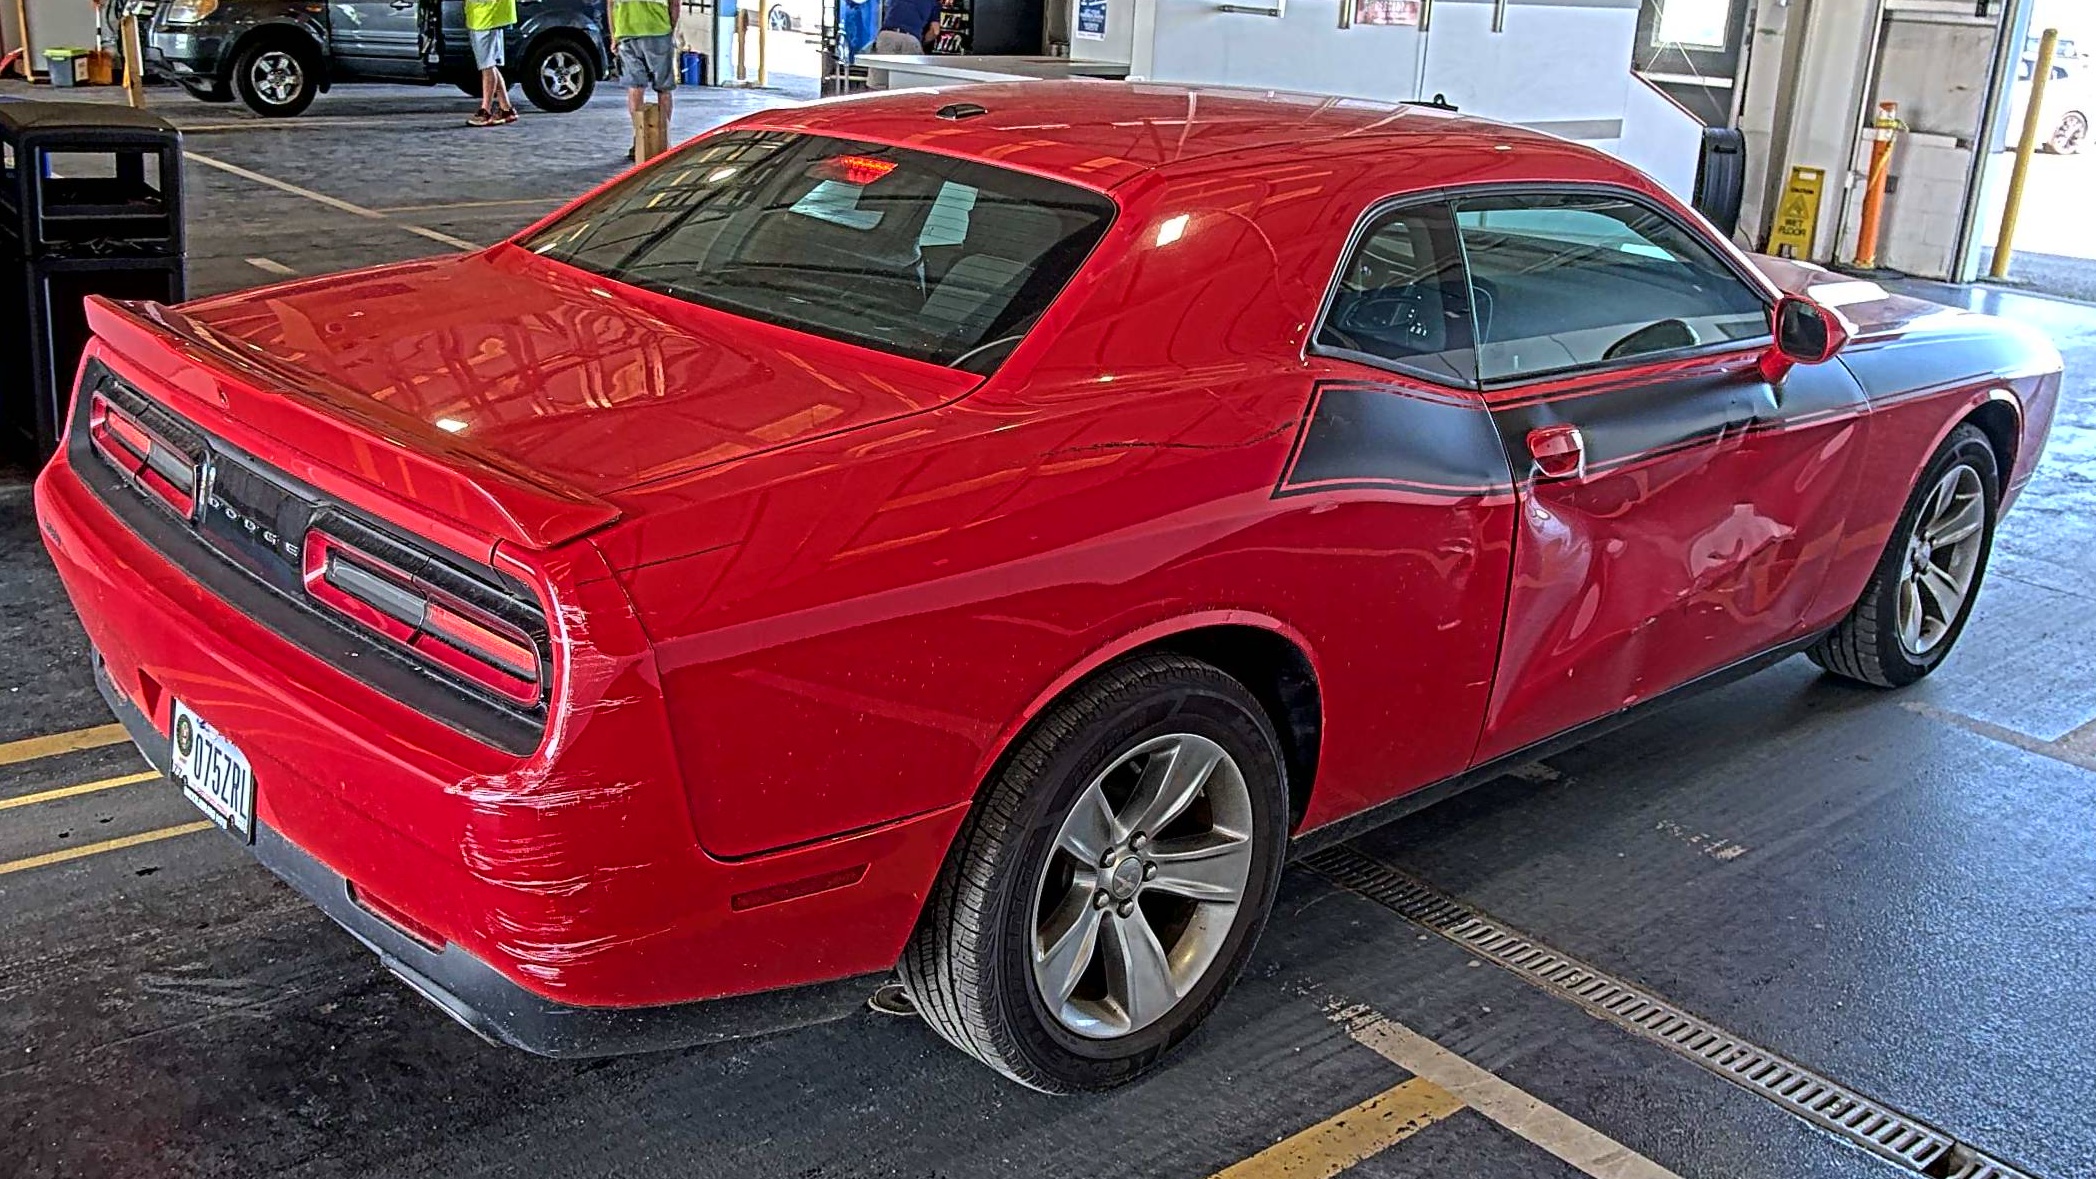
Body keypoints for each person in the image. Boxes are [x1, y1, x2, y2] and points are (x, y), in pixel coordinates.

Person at [612, 0, 676, 132]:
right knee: (663, 88)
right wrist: (671, 30)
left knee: (635, 87)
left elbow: (610, 4)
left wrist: (614, 36)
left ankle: (640, 137)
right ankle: (663, 137)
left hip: (626, 31)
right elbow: (675, 4)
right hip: (658, 30)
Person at [465, 0, 519, 126]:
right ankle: (506, 109)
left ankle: (486, 112)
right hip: (486, 15)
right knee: (489, 64)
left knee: (487, 66)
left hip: (487, 16)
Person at [872, 0, 939, 54]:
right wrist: (922, 42)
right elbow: (935, 31)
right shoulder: (933, 3)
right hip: (911, 38)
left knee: (881, 68)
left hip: (887, 34)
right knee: (908, 70)